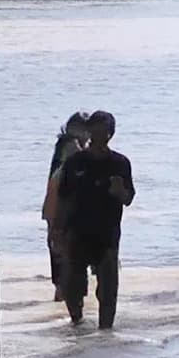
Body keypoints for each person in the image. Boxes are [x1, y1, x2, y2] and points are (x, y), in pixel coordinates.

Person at [57, 111, 134, 329]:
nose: (101, 135)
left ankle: (105, 336)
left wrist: (119, 192)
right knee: (73, 287)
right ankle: (77, 326)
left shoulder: (120, 163)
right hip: (77, 231)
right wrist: (57, 231)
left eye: (105, 131)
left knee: (108, 290)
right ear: (89, 131)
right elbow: (63, 197)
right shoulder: (75, 162)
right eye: (96, 130)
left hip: (107, 234)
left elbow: (128, 198)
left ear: (111, 134)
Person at [42, 112, 90, 302]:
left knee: (58, 253)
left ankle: (61, 295)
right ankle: (65, 297)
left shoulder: (62, 144)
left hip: (53, 205)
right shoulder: (72, 147)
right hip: (62, 207)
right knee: (66, 254)